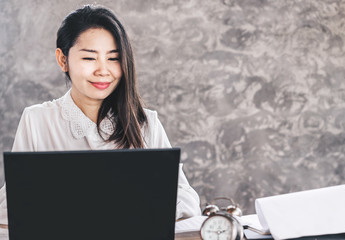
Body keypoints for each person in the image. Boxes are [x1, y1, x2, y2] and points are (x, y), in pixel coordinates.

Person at [0, 5, 201, 223]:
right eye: (89, 58)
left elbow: (187, 199)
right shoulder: (36, 120)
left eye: (113, 58)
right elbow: (9, 205)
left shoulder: (145, 122)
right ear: (63, 60)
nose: (103, 70)